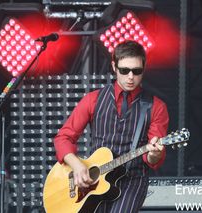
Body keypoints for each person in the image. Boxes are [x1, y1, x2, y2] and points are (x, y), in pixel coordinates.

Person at [54, 40, 169, 213]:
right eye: (124, 70)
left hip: (132, 180)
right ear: (114, 67)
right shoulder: (92, 99)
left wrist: (154, 153)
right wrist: (77, 166)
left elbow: (152, 160)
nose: (130, 76)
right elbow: (64, 138)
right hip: (94, 180)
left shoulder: (156, 107)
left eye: (136, 71)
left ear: (143, 69)